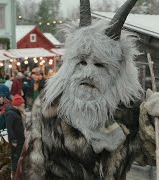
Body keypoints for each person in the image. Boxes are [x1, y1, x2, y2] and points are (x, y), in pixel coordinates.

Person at [16, 0, 159, 179]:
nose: (89, 73)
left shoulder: (127, 112)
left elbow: (150, 156)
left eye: (100, 65)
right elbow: (31, 166)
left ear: (115, 74)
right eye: (82, 62)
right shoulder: (49, 106)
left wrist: (152, 122)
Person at [5, 94, 25, 179]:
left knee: (20, 156)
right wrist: (13, 141)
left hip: (20, 140)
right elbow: (9, 128)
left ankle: (19, 173)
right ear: (18, 105)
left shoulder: (17, 112)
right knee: (16, 157)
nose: (24, 105)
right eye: (22, 103)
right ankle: (15, 175)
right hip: (16, 141)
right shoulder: (11, 114)